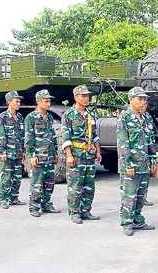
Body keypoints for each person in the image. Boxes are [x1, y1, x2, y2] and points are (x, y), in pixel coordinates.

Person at [117, 87, 157, 236]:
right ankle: (127, 222)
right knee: (129, 195)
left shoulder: (146, 118)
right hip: (131, 165)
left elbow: (150, 141)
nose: (142, 102)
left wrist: (153, 160)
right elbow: (123, 144)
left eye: (144, 99)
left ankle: (137, 219)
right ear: (131, 100)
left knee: (141, 196)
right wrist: (128, 164)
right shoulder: (124, 118)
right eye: (139, 99)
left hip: (144, 164)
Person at [61, 85, 102, 224]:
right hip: (76, 155)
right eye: (83, 96)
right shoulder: (69, 115)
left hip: (89, 154)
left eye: (87, 96)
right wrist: (69, 155)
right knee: (75, 185)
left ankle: (86, 211)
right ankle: (74, 213)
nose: (86, 98)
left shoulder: (90, 114)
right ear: (75, 97)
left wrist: (98, 151)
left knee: (89, 185)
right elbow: (66, 137)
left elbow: (95, 135)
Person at [25, 89, 61, 217]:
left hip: (50, 156)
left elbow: (53, 136)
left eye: (49, 101)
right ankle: (34, 206)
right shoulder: (31, 118)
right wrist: (32, 155)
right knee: (37, 183)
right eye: (45, 101)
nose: (48, 103)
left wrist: (56, 153)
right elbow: (29, 138)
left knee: (49, 183)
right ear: (38, 101)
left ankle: (46, 204)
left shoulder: (49, 117)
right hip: (39, 156)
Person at [0, 90, 27, 209]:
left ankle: (14, 198)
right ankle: (3, 199)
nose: (19, 103)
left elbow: (22, 135)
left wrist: (23, 150)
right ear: (9, 102)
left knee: (17, 177)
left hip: (18, 153)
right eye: (16, 101)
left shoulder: (19, 117)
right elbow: (0, 135)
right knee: (6, 176)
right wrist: (2, 151)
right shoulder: (2, 117)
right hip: (7, 153)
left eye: (19, 101)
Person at [140, 101, 157, 206]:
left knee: (145, 178)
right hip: (136, 154)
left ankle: (143, 197)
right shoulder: (129, 118)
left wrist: (153, 158)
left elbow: (151, 139)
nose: (143, 106)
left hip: (146, 153)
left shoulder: (148, 118)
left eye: (146, 104)